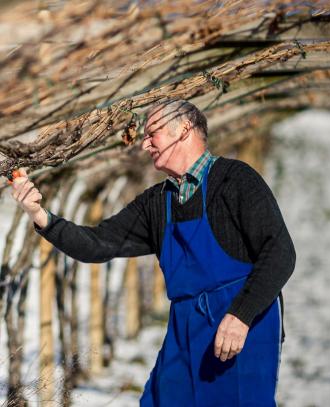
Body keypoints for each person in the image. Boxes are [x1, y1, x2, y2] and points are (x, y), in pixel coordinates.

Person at [10, 99, 296, 406]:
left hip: (241, 328)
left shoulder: (235, 180)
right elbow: (97, 243)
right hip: (184, 330)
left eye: (152, 133)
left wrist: (240, 316)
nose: (144, 144)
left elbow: (280, 252)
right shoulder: (157, 203)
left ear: (184, 129)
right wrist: (40, 215)